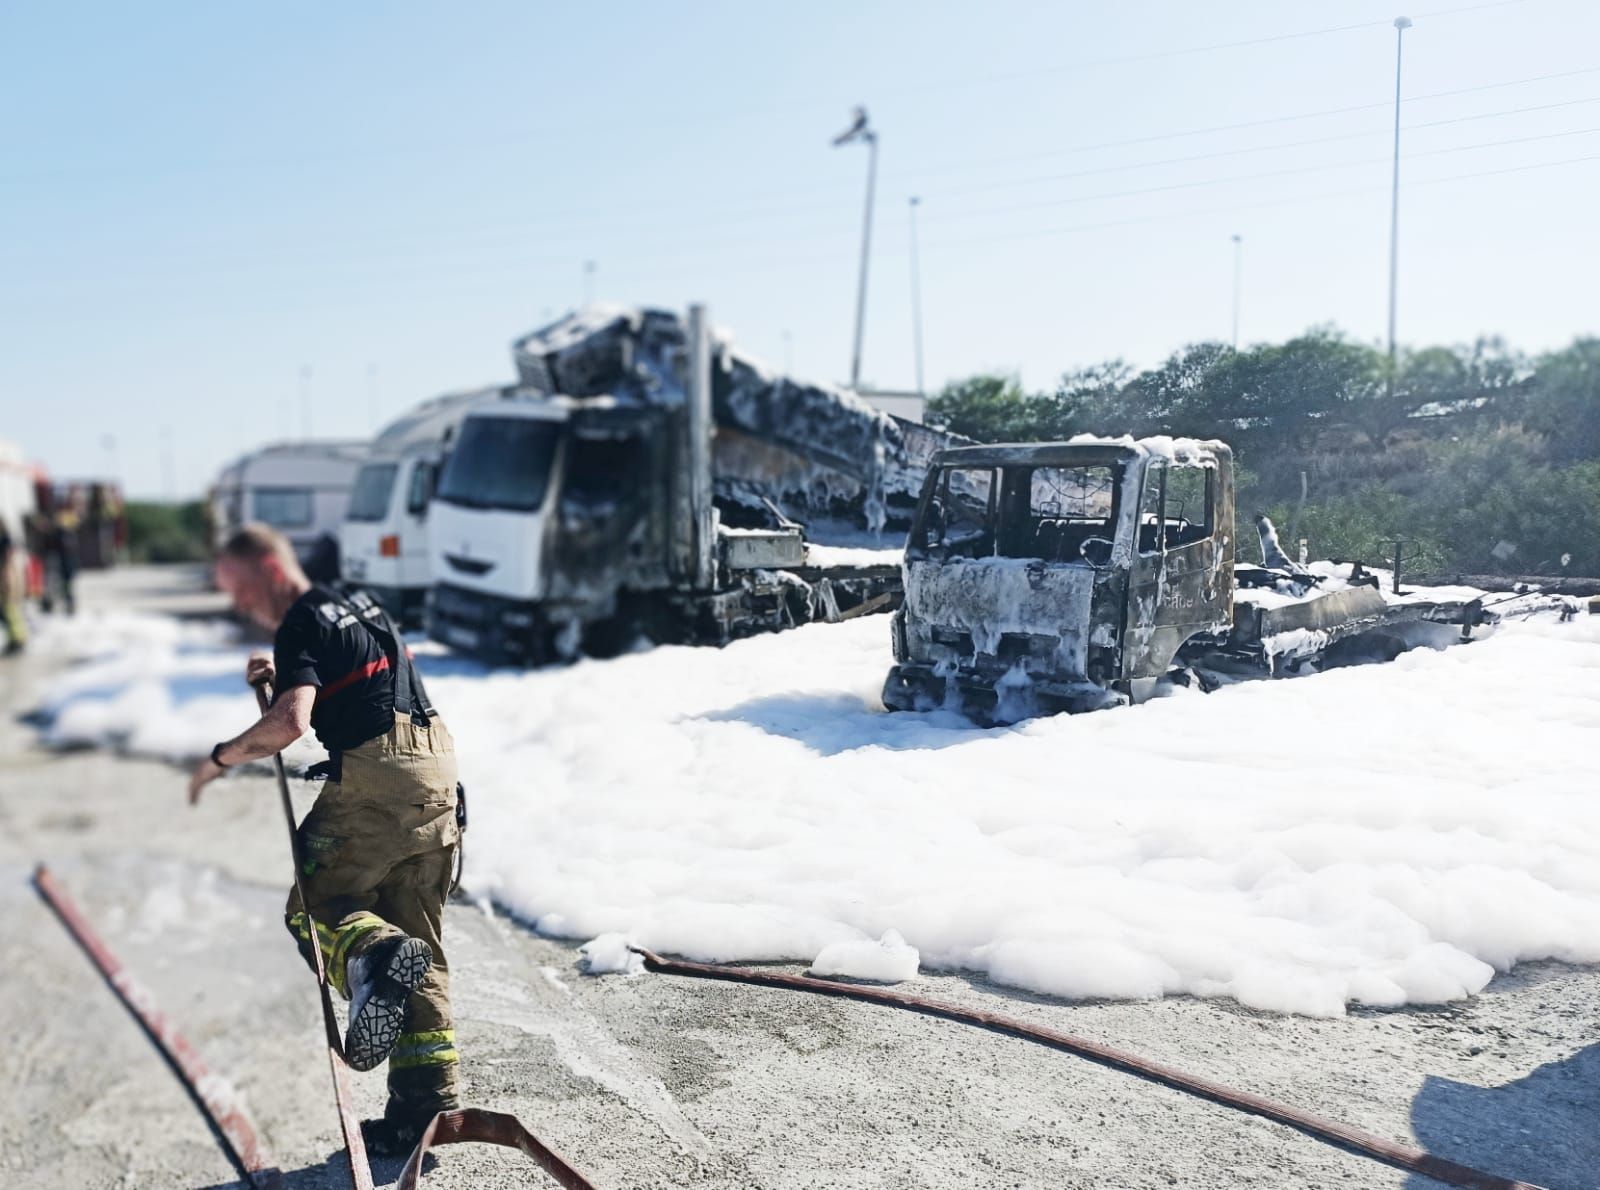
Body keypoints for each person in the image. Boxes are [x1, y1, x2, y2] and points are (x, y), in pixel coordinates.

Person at [187, 523, 462, 1153]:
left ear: (268, 570)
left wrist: (222, 757)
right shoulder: (359, 604)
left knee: (313, 908)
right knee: (417, 940)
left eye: (240, 589)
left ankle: (371, 958)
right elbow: (353, 680)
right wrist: (282, 672)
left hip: (378, 778)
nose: (240, 605)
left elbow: (290, 723)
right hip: (440, 775)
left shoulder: (302, 618)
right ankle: (425, 1110)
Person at [0, 519, 27, 654]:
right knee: (7, 612)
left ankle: (18, 640)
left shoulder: (6, 542)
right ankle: (14, 639)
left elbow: (9, 568)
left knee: (11, 611)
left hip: (8, 583)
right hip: (7, 582)